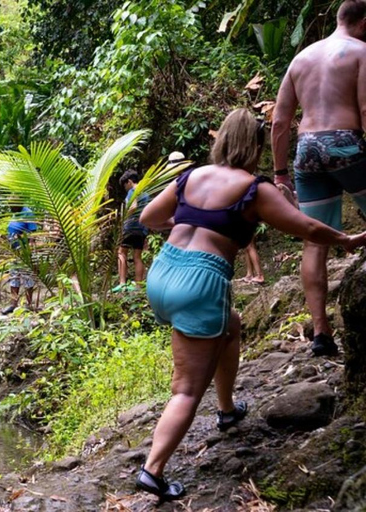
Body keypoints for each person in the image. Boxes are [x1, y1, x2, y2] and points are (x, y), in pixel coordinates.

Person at [136, 108, 366, 501]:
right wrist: (344, 241)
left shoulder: (189, 177)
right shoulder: (253, 189)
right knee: (187, 389)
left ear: (221, 139)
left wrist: (186, 225)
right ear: (255, 145)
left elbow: (147, 217)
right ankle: (152, 471)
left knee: (231, 323)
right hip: (199, 283)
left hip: (161, 276)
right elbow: (306, 227)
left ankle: (226, 410)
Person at [272, 0, 366, 356]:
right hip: (344, 142)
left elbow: (280, 122)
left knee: (315, 241)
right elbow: (365, 109)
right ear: (363, 23)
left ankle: (321, 333)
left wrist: (281, 173)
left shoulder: (302, 58)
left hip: (307, 148)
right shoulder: (360, 52)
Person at [113, 171, 150, 292]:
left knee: (121, 252)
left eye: (125, 185)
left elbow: (133, 206)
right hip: (142, 227)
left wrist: (124, 218)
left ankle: (122, 283)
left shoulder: (132, 191)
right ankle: (139, 286)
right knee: (137, 256)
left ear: (129, 181)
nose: (125, 188)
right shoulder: (146, 194)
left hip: (130, 227)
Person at [2, 205, 38, 315]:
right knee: (14, 277)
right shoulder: (15, 213)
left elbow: (33, 234)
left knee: (27, 277)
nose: (10, 208)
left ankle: (28, 304)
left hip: (24, 251)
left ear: (18, 204)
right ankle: (13, 304)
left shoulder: (28, 213)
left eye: (11, 206)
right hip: (14, 252)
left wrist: (30, 251)